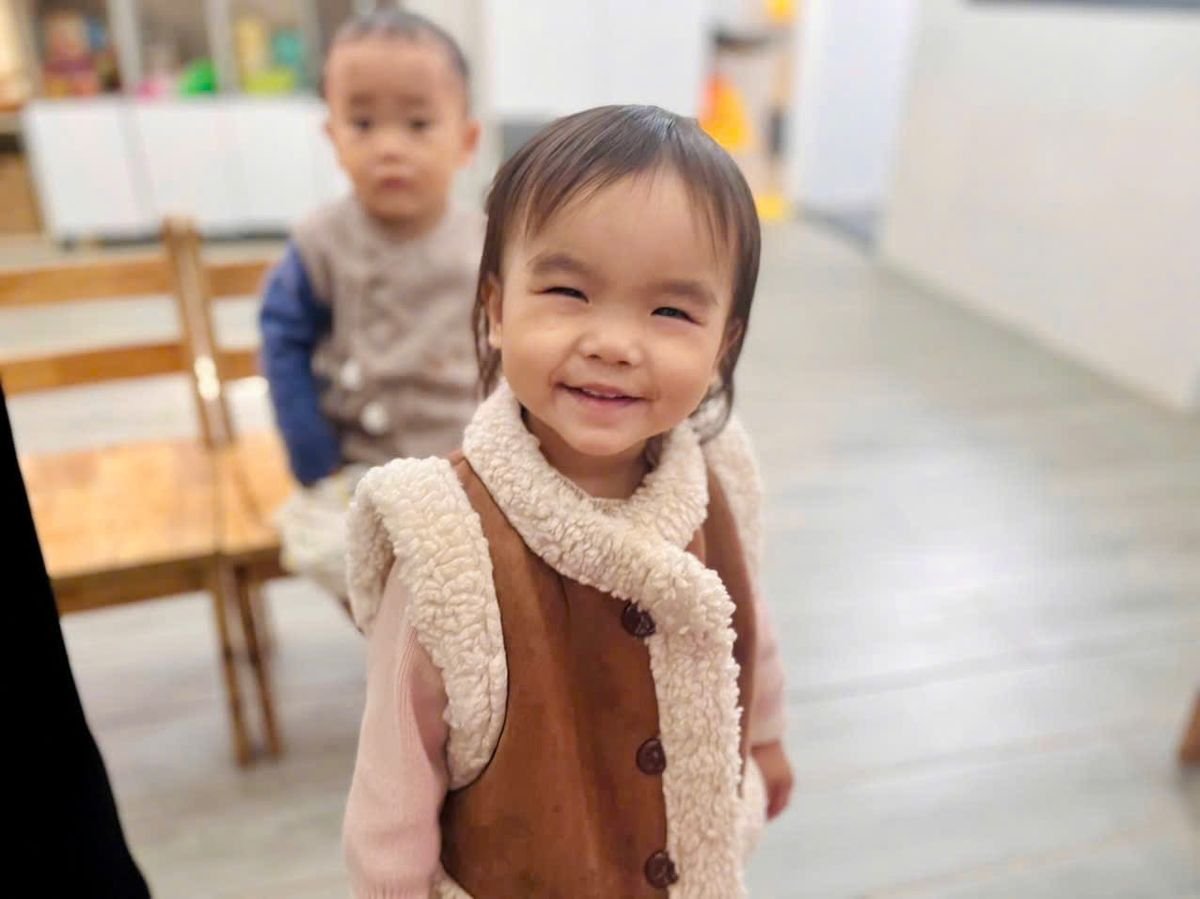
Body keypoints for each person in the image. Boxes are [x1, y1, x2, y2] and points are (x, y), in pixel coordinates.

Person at [344, 104, 793, 898]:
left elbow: (745, 630)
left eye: (671, 311)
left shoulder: (721, 476)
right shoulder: (443, 535)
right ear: (496, 308)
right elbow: (393, 783)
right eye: (568, 291)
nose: (614, 343)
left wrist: (764, 737)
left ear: (723, 341)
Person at [259, 9, 482, 594]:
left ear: (466, 141)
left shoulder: (487, 243)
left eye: (417, 123)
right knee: (328, 549)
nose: (389, 147)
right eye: (362, 123)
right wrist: (312, 455)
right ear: (332, 138)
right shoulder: (321, 241)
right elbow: (282, 345)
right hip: (361, 465)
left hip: (471, 461)